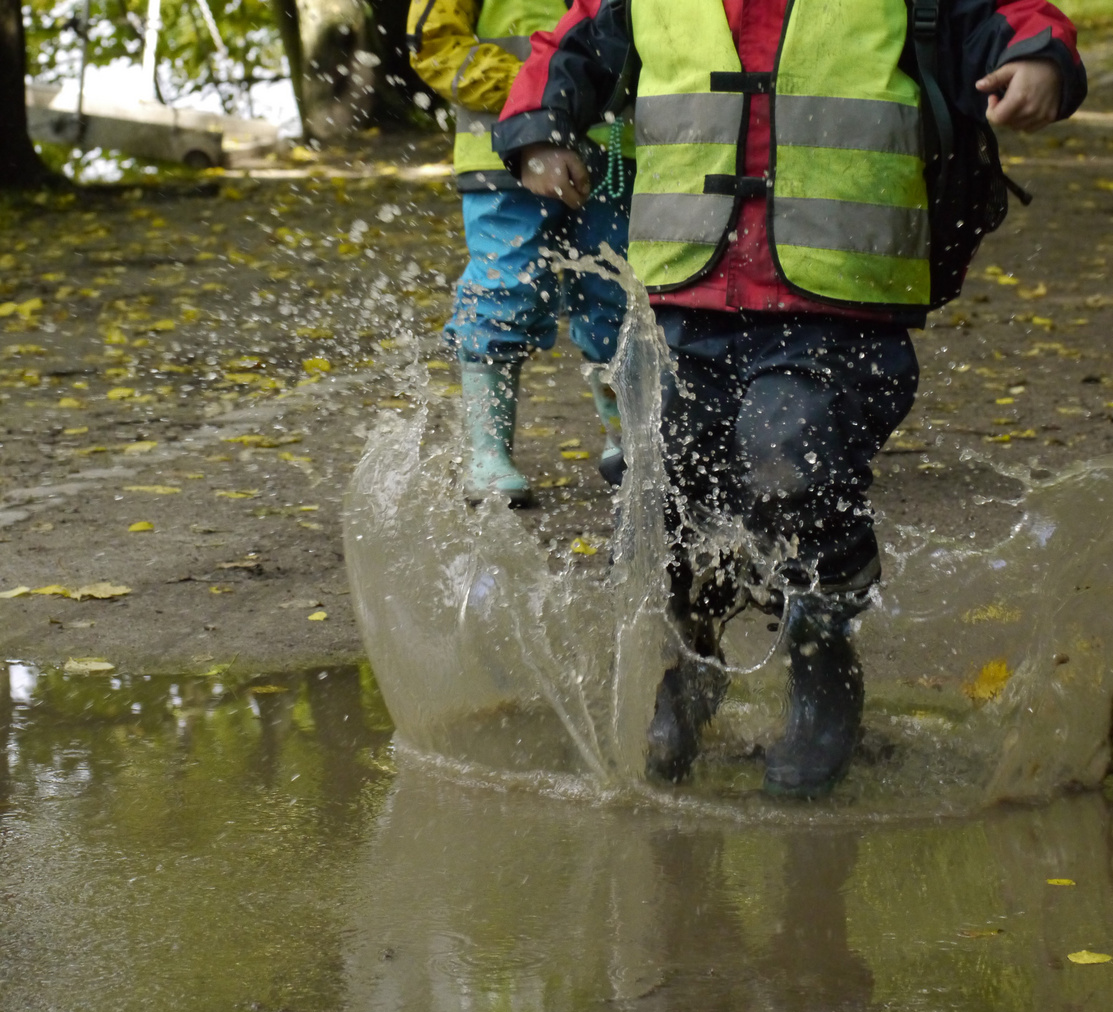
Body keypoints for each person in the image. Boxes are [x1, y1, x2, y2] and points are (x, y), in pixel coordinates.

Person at [493, 0, 1086, 793]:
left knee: (787, 459)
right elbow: (563, 45)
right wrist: (537, 128)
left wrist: (1040, 57)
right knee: (665, 488)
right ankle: (689, 663)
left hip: (837, 306)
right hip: (682, 297)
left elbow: (1009, 13)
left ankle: (821, 656)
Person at [406, 0, 636, 507]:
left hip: (614, 153)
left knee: (615, 296)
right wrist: (541, 91)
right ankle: (488, 455)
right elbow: (435, 43)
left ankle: (628, 439)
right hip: (500, 158)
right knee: (504, 287)